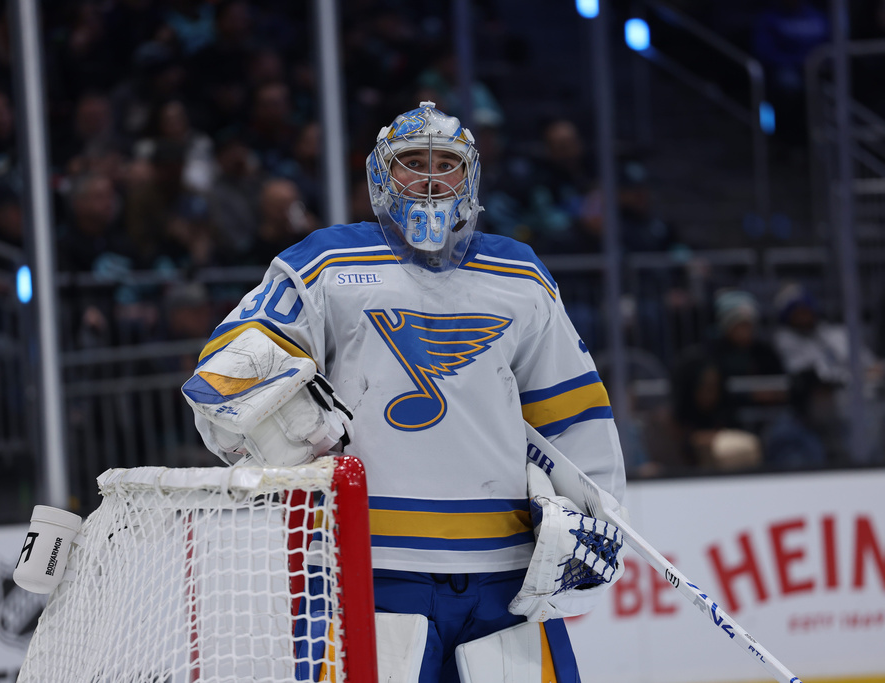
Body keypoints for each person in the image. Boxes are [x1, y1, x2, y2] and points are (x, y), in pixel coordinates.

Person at [182, 101, 627, 682]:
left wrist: (599, 511)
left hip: (506, 570)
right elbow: (227, 369)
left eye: (447, 164)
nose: (430, 178)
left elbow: (572, 409)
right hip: (366, 564)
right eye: (411, 163)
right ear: (379, 175)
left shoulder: (520, 275)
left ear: (471, 176)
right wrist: (289, 428)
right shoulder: (327, 263)